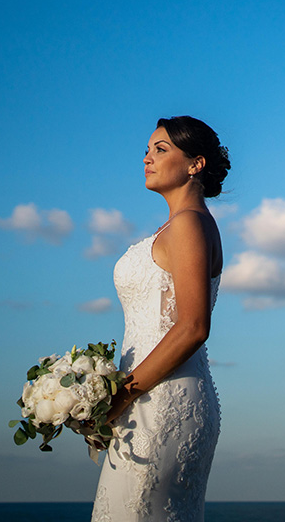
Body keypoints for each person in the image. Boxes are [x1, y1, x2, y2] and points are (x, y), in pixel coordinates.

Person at [91, 116, 228, 522]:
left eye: (161, 149)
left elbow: (193, 327)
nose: (147, 158)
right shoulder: (177, 226)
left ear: (195, 164)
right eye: (148, 150)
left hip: (161, 400)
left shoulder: (189, 225)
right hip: (143, 393)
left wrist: (120, 396)